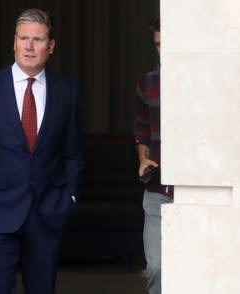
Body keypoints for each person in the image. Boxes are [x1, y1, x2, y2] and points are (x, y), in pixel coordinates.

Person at [0, 8, 83, 294]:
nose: (29, 46)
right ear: (13, 42)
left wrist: (70, 196)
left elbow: (73, 152)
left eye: (37, 40)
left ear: (50, 46)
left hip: (47, 213)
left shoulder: (66, 92)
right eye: (23, 38)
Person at [134, 16, 173, 294]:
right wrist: (143, 159)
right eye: (158, 45)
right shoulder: (147, 83)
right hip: (157, 189)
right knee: (157, 267)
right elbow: (142, 129)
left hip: (197, 192)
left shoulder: (207, 83)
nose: (163, 50)